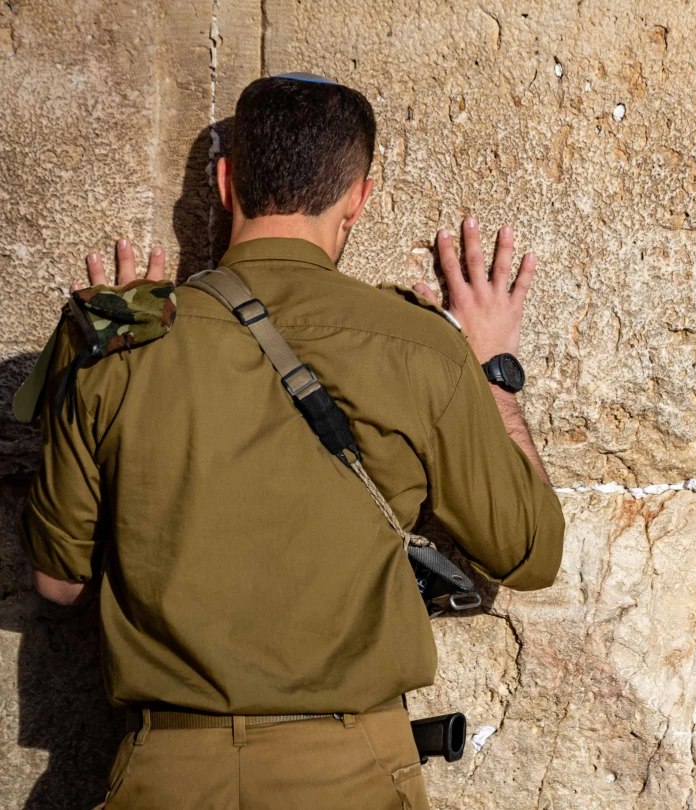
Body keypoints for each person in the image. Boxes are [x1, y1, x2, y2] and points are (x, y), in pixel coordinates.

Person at [19, 74, 565, 809]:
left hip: (168, 772)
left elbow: (59, 583)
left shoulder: (119, 339)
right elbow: (530, 553)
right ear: (358, 200)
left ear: (224, 182)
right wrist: (492, 370)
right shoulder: (417, 346)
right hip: (351, 773)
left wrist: (103, 344)